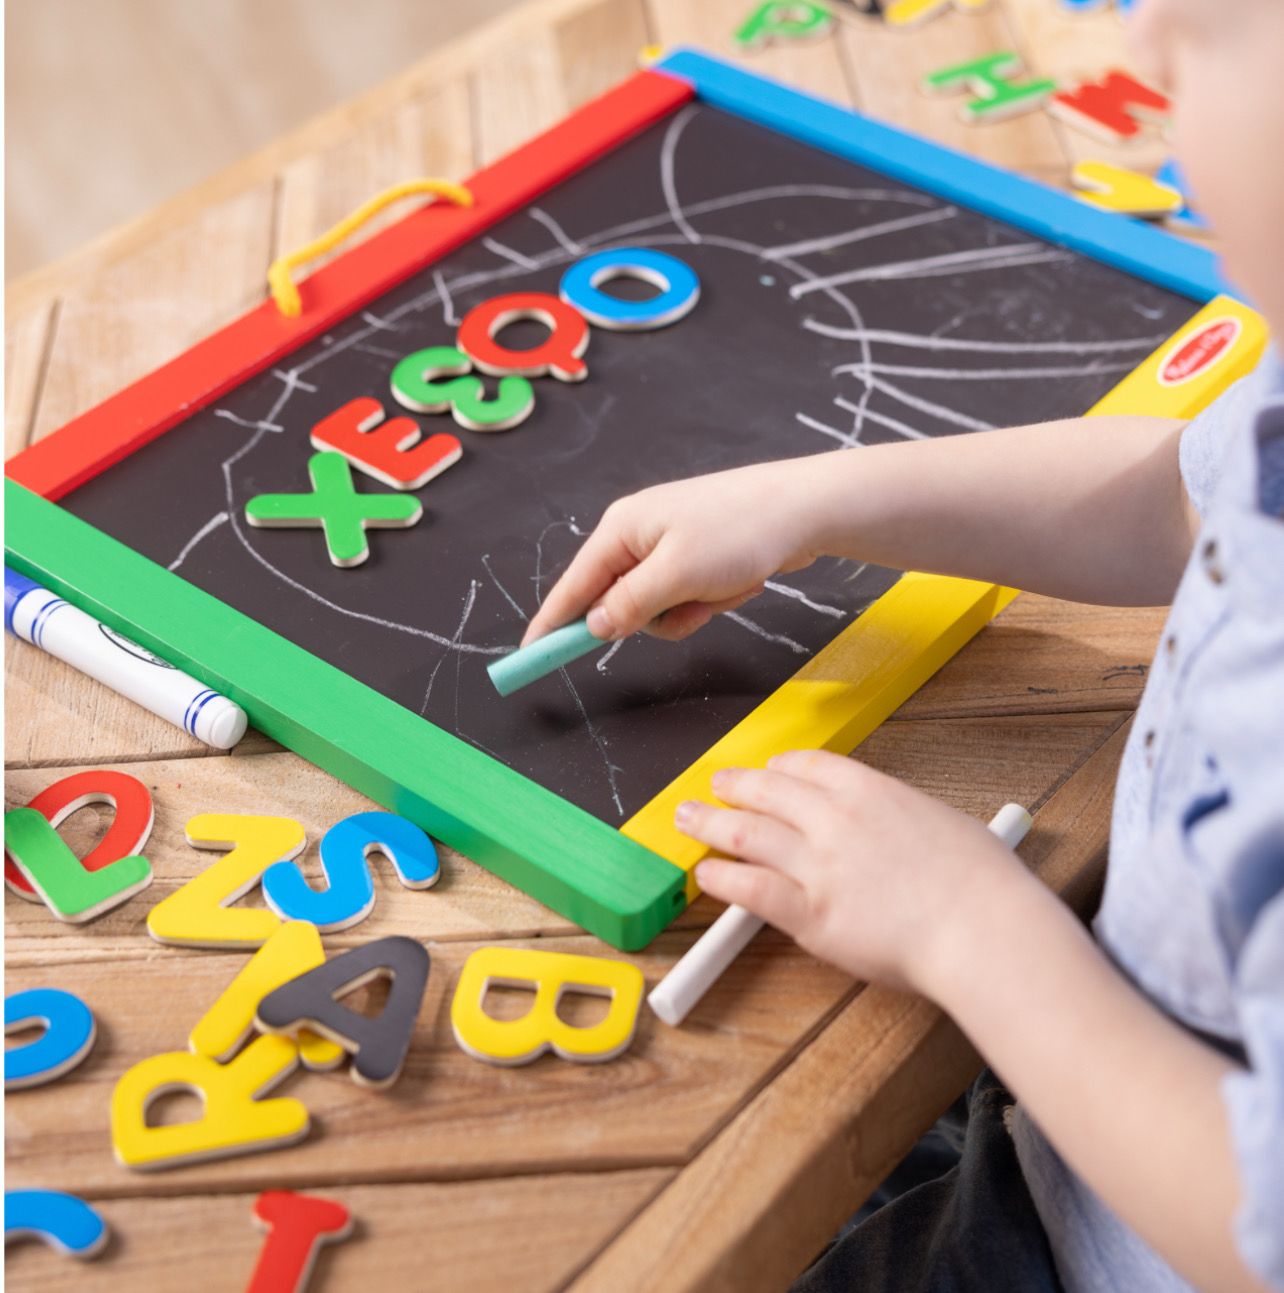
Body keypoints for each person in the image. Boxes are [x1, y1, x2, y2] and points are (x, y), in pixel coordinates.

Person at [519, 1, 1284, 1288]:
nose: (1139, 54)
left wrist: (968, 932)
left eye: (1209, 32)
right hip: (1076, 1090)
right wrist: (816, 502)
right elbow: (1182, 497)